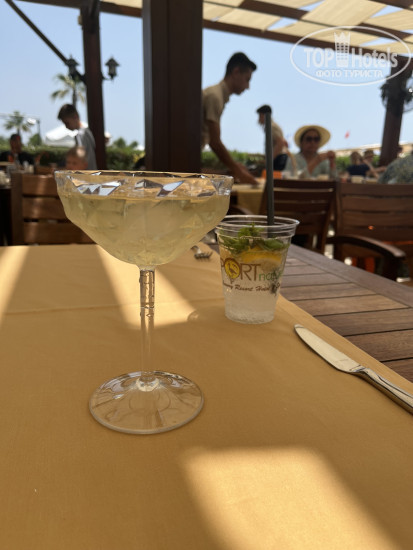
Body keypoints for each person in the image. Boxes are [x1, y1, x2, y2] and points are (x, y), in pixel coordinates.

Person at [202, 52, 258, 185]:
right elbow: (215, 143)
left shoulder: (217, 95)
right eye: (247, 79)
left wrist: (235, 168)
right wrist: (239, 172)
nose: (248, 87)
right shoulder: (215, 96)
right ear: (236, 72)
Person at [57, 104, 97, 170]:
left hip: (85, 174)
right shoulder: (87, 132)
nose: (66, 126)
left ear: (75, 117)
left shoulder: (81, 134)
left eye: (67, 123)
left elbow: (78, 158)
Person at [256, 105, 288, 171]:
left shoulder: (271, 126)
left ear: (264, 115)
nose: (259, 119)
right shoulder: (271, 125)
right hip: (278, 157)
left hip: (279, 159)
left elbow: (280, 143)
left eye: (260, 116)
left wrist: (269, 160)